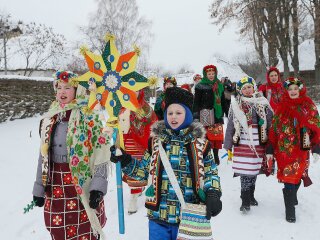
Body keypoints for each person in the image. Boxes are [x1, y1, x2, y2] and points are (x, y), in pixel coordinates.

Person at [110, 87, 222, 240]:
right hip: (158, 216)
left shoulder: (201, 145)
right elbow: (143, 171)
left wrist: (213, 193)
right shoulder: (155, 143)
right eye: (170, 113)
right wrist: (126, 161)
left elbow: (210, 172)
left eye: (178, 113)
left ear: (188, 115)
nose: (173, 117)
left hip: (188, 217)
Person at [32, 70, 111, 240]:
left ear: (77, 90)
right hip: (56, 185)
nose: (62, 91)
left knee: (85, 229)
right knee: (59, 228)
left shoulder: (89, 116)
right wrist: (39, 188)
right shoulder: (49, 118)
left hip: (81, 183)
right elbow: (43, 155)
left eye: (67, 87)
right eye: (59, 87)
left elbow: (101, 152)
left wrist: (97, 187)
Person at [267, 77, 320, 223]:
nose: (293, 91)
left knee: (297, 177)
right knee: (288, 178)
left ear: (300, 89)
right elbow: (274, 128)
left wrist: (316, 146)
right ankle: (290, 210)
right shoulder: (281, 107)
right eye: (290, 89)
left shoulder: (308, 105)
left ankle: (291, 194)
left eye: (295, 89)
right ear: (286, 91)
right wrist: (270, 148)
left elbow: (316, 125)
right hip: (285, 150)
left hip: (302, 148)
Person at [224, 76, 273, 212]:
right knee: (245, 171)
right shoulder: (236, 105)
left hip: (258, 143)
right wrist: (228, 145)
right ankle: (245, 201)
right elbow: (230, 126)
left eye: (249, 87)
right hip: (242, 143)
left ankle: (251, 195)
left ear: (254, 87)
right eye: (244, 88)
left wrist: (271, 142)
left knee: (254, 170)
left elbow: (269, 123)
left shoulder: (262, 102)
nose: (247, 90)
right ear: (240, 90)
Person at [118, 89, 158, 214]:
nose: (132, 92)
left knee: (137, 168)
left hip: (140, 143)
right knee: (127, 167)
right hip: (125, 142)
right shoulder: (121, 106)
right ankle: (136, 190)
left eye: (135, 90)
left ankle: (133, 198)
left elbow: (152, 125)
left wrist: (149, 140)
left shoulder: (145, 108)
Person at [193, 64, 227, 165]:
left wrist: (227, 111)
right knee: (206, 137)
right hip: (205, 115)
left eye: (213, 73)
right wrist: (196, 114)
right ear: (205, 74)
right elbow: (196, 102)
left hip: (217, 114)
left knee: (216, 137)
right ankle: (206, 156)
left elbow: (223, 100)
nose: (211, 75)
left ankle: (216, 156)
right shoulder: (200, 86)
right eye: (209, 73)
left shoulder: (219, 85)